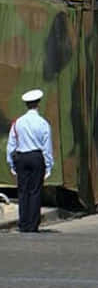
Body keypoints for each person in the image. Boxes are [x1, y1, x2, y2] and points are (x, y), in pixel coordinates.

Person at [6, 90, 53, 233]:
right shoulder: (43, 123)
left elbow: (11, 143)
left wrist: (11, 163)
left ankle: (23, 223)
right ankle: (33, 225)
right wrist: (49, 165)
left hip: (21, 158)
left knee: (22, 191)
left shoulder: (18, 122)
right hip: (36, 157)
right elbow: (47, 146)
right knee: (35, 191)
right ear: (38, 104)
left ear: (26, 105)